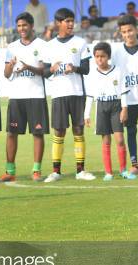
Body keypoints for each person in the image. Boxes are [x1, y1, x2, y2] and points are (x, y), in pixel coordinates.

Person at [43, 8, 95, 182]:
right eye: (67, 21)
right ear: (58, 23)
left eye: (72, 21)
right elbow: (44, 72)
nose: (71, 24)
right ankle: (56, 171)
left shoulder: (80, 43)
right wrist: (51, 69)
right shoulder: (49, 45)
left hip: (77, 92)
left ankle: (80, 170)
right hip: (58, 94)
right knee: (59, 131)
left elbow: (87, 69)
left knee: (78, 130)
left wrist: (74, 68)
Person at [2, 12, 49, 182]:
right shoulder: (12, 47)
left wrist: (28, 67)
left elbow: (45, 71)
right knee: (11, 133)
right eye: (19, 26)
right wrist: (12, 66)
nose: (21, 29)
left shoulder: (42, 45)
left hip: (36, 95)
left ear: (31, 26)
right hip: (16, 97)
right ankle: (10, 170)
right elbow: (6, 74)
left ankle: (36, 170)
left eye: (24, 25)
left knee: (37, 133)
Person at [84, 42, 135, 181]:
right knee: (106, 140)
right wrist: (86, 114)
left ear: (108, 57)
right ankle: (108, 172)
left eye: (103, 56)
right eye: (97, 56)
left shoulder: (118, 70)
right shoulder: (92, 73)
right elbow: (90, 95)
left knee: (119, 139)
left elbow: (123, 92)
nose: (100, 59)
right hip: (101, 106)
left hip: (116, 106)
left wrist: (124, 109)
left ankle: (123, 170)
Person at [112, 15, 138, 174]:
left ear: (136, 29)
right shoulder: (116, 53)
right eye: (124, 32)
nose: (128, 34)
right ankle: (134, 163)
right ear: (121, 33)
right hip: (128, 100)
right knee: (131, 131)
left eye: (130, 30)